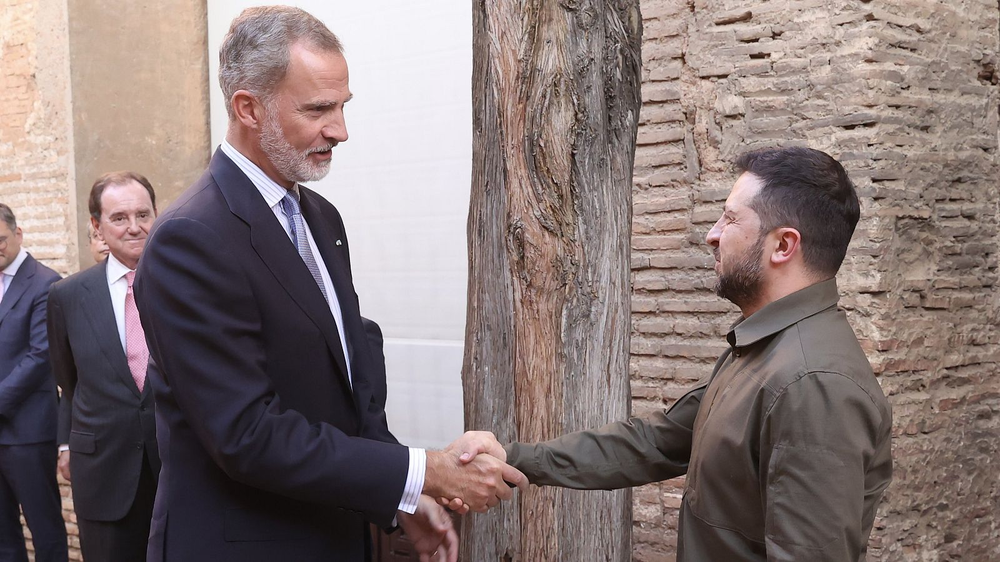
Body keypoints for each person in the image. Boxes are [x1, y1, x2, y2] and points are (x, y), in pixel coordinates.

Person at [133, 6, 522, 562]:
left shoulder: (320, 219)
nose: (340, 130)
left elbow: (346, 389)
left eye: (342, 106)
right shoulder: (191, 239)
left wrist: (401, 498)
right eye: (318, 109)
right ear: (248, 107)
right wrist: (422, 472)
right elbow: (246, 434)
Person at [450, 147, 893, 561]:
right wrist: (512, 457)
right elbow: (655, 442)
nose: (712, 235)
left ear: (783, 245)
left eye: (729, 219)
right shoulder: (765, 349)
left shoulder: (813, 381)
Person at [47, 172, 160, 562]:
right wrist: (66, 443)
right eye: (119, 217)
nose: (134, 227)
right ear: (97, 226)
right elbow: (69, 380)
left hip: (177, 470)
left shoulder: (183, 285)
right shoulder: (68, 296)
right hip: (104, 474)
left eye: (143, 214)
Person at [0, 203, 67, 562]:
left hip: (28, 431)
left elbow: (40, 356)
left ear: (18, 233)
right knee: (3, 535)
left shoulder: (46, 283)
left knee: (45, 531)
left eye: (0, 239)